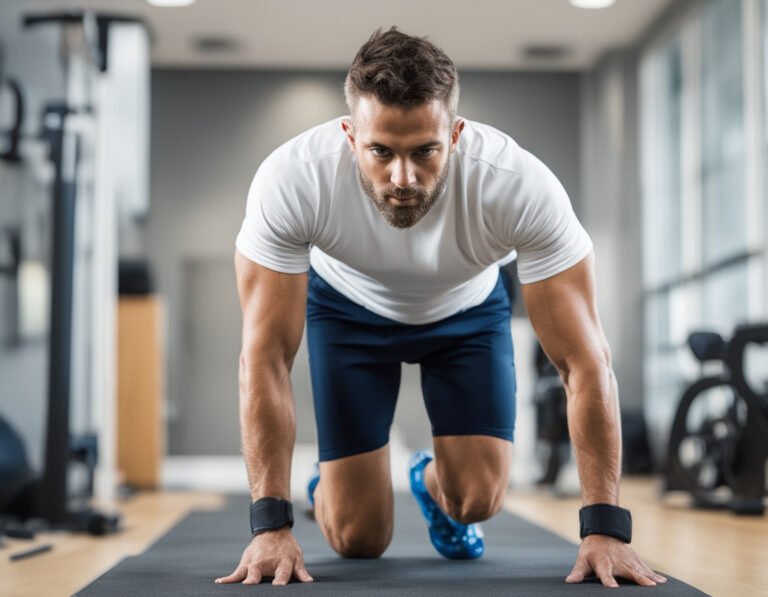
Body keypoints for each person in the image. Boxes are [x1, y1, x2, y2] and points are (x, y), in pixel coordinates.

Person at [217, 27, 667, 589]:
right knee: (358, 540)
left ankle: (428, 481)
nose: (403, 178)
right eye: (381, 151)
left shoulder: (517, 186)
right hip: (348, 311)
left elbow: (585, 363)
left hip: (467, 312)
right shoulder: (293, 180)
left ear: (455, 134)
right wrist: (270, 523)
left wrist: (605, 528)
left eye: (424, 151)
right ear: (349, 135)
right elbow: (263, 360)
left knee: (477, 500)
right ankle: (325, 488)